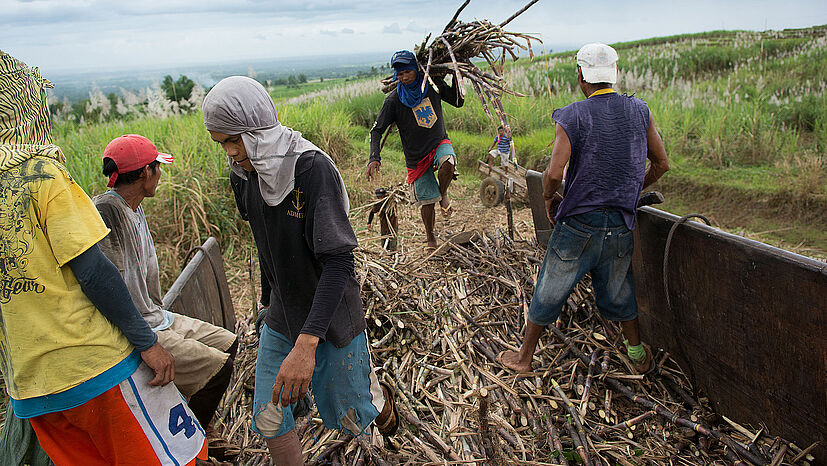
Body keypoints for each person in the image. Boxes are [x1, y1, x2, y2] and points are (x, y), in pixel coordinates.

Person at [0, 51, 206, 464]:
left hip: (30, 385)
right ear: (26, 106)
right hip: (94, 367)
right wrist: (148, 344)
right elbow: (94, 271)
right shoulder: (41, 175)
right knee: (182, 457)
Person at [203, 76, 398, 466]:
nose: (228, 152)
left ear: (255, 131)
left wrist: (307, 345)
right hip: (283, 312)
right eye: (221, 143)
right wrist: (265, 304)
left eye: (232, 140)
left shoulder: (310, 170)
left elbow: (340, 262)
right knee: (269, 417)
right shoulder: (244, 174)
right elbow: (267, 246)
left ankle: (383, 407)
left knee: (353, 420)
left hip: (330, 317)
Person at [499, 43, 670, 375]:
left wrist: (550, 197)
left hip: (580, 225)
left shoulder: (573, 114)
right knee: (621, 289)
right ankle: (637, 356)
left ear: (581, 76)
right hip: (621, 223)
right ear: (613, 76)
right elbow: (662, 164)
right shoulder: (640, 110)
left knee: (551, 286)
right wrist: (630, 191)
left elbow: (552, 174)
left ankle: (523, 358)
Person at [92, 134, 240, 461]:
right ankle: (197, 441)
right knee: (219, 370)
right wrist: (145, 342)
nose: (160, 173)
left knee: (233, 345)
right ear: (145, 172)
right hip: (142, 328)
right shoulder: (106, 213)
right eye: (157, 167)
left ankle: (205, 426)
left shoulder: (133, 207)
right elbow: (104, 287)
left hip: (159, 315)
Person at [366, 50, 464, 253]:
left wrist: (456, 74)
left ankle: (443, 194)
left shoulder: (432, 86)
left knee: (448, 161)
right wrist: (374, 158)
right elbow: (376, 130)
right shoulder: (393, 100)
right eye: (399, 74)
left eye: (407, 72)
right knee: (427, 202)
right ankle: (430, 237)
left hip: (438, 142)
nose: (403, 77)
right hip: (416, 157)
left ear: (416, 70)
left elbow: (457, 101)